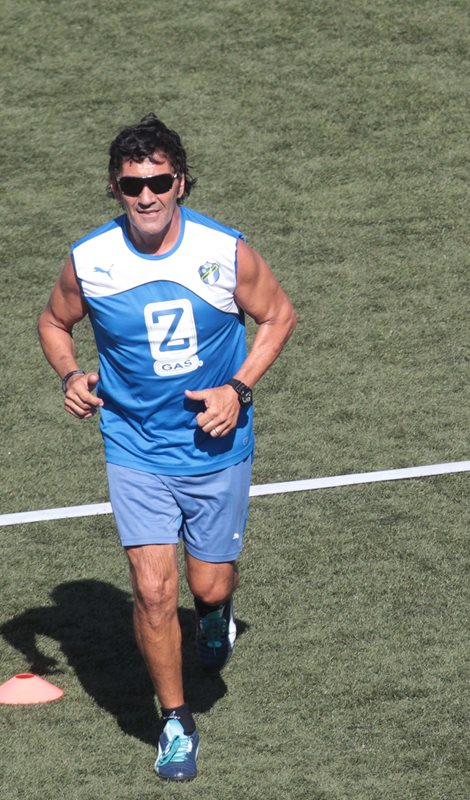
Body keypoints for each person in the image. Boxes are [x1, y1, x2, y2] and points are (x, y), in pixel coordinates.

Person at [37, 114, 297, 782]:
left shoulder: (223, 250)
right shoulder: (90, 261)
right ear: (116, 188)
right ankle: (176, 721)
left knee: (205, 583)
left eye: (158, 181)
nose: (146, 196)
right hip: (134, 445)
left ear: (180, 182)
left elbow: (278, 315)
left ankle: (216, 613)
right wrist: (70, 374)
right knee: (154, 592)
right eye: (132, 183)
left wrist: (237, 388)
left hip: (216, 444)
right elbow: (53, 320)